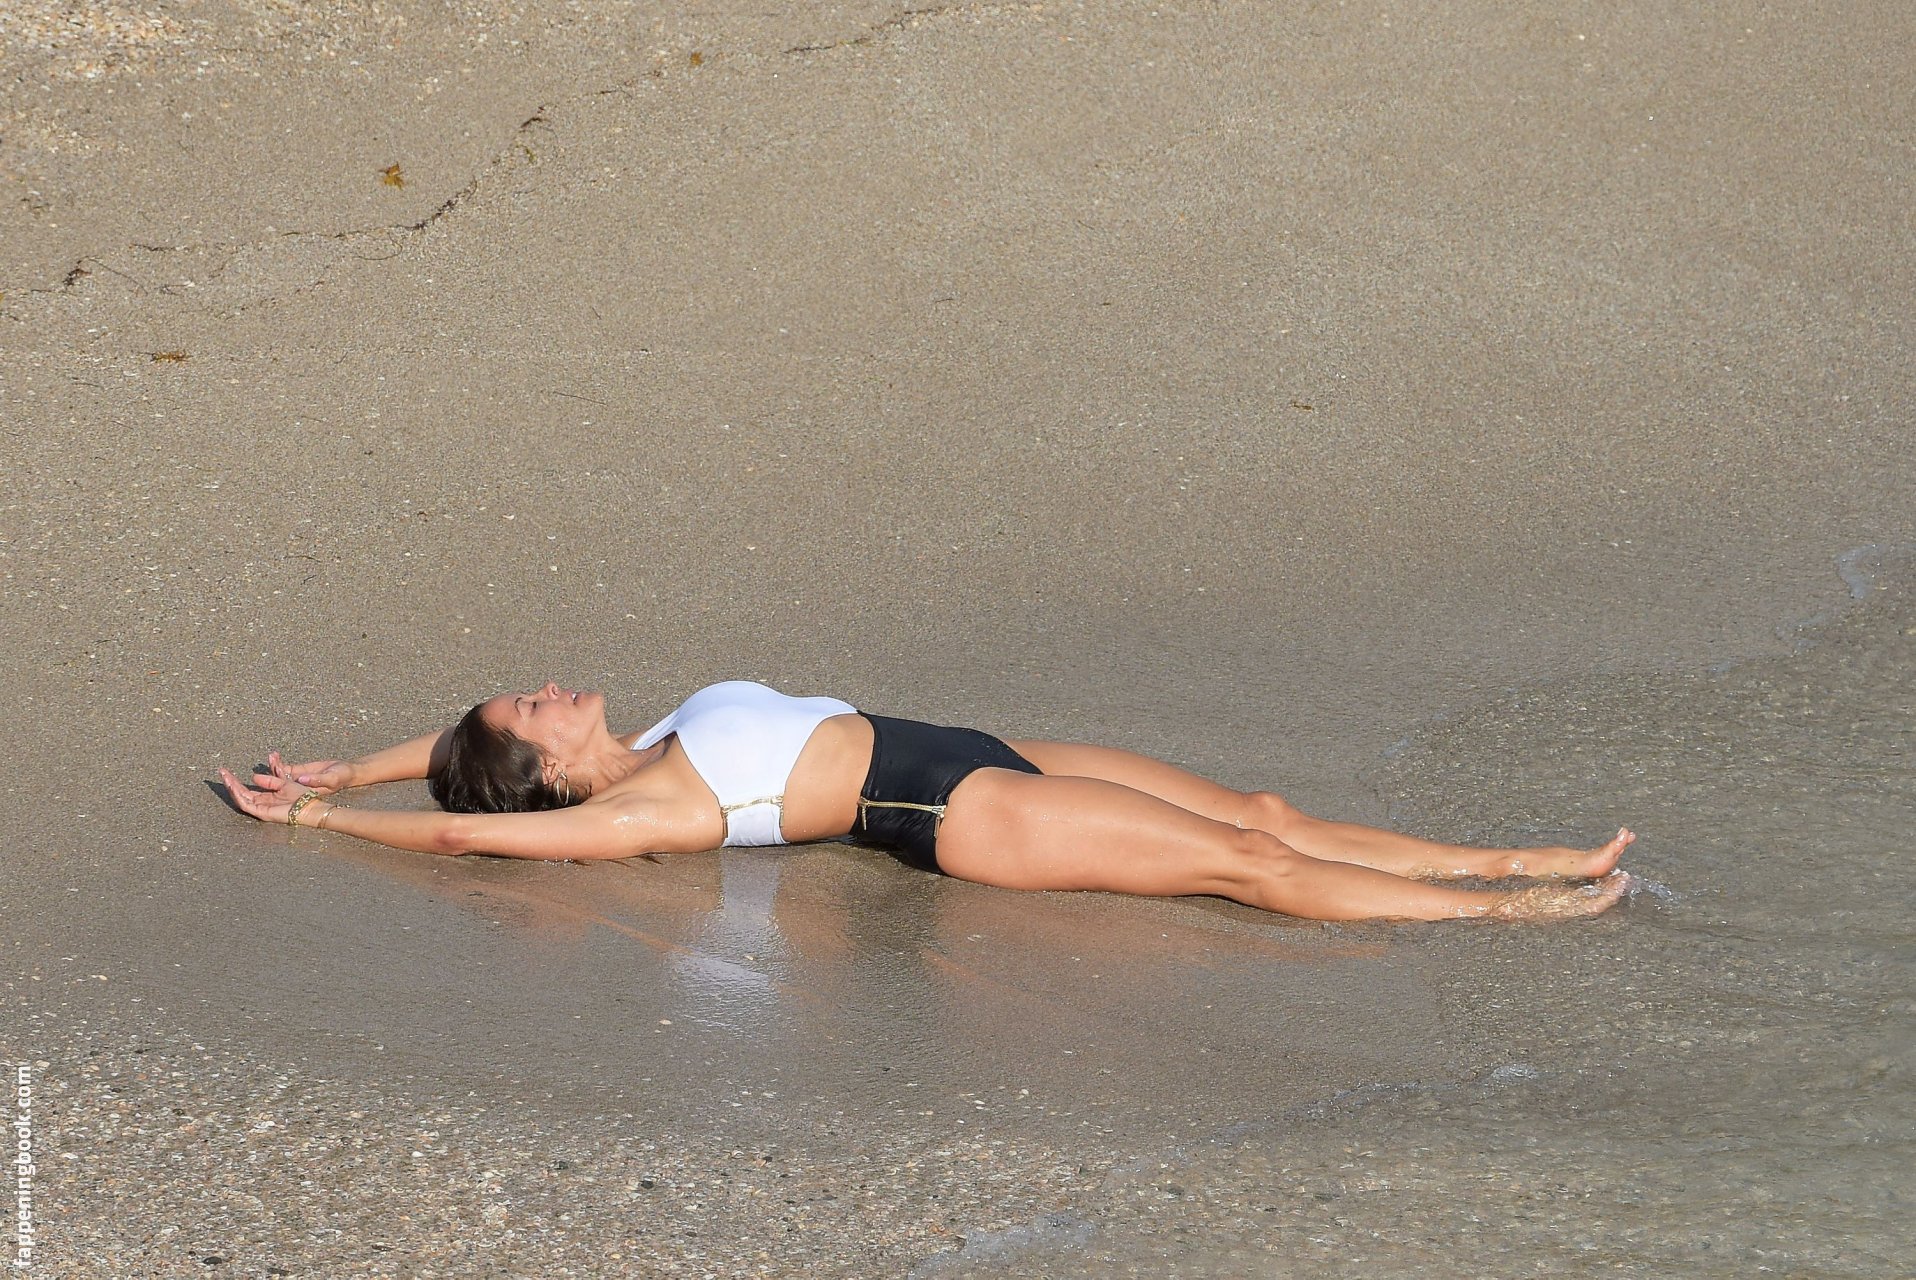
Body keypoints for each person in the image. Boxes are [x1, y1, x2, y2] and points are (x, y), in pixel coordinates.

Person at [219, 679, 1633, 922]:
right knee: (1243, 864)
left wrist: (349, 762)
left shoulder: (657, 736)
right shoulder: (641, 813)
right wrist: (327, 825)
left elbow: (455, 772)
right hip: (950, 814)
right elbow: (464, 826)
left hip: (958, 739)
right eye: (527, 713)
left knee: (1260, 807)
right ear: (546, 772)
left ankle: (1516, 859)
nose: (543, 690)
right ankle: (1504, 914)